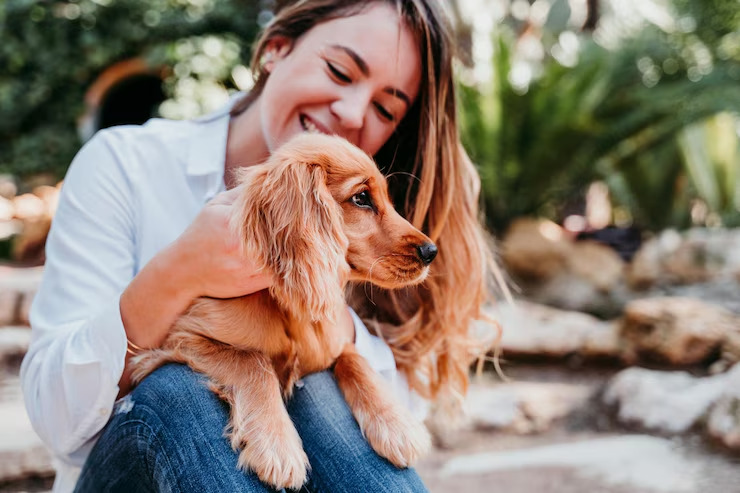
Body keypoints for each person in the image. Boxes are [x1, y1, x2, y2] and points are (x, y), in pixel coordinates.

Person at [21, 0, 500, 491]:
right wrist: (181, 271)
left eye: (385, 108)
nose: (352, 112)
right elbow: (59, 426)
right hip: (126, 469)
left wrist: (337, 333)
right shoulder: (124, 164)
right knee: (178, 393)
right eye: (339, 70)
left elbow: (403, 419)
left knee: (320, 392)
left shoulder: (362, 219)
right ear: (275, 49)